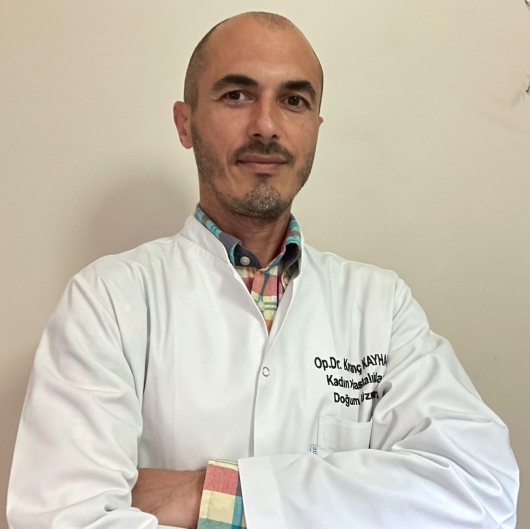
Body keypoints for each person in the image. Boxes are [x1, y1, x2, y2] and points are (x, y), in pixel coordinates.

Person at [7, 11, 519, 529]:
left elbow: (481, 488)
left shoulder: (382, 306)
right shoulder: (108, 300)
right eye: (236, 95)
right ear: (185, 124)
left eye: (294, 101)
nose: (267, 126)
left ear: (315, 129)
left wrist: (206, 493)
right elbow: (59, 517)